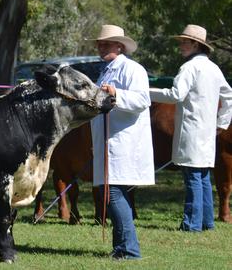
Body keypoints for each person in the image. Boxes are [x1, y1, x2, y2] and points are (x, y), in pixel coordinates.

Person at [149, 24, 232, 232]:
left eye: (184, 42)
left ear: (196, 44)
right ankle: (206, 222)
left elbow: (176, 95)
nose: (181, 46)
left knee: (194, 177)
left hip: (191, 131)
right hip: (206, 132)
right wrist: (221, 123)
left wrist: (147, 91)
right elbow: (229, 95)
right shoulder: (214, 68)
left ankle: (192, 224)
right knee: (202, 177)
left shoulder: (189, 67)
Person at [89, 25, 154, 260]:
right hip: (109, 141)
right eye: (100, 43)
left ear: (120, 45)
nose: (101, 46)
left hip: (124, 143)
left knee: (113, 194)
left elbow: (142, 99)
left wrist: (117, 94)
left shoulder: (133, 69)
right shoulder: (105, 72)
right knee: (113, 193)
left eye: (107, 43)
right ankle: (121, 248)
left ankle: (130, 249)